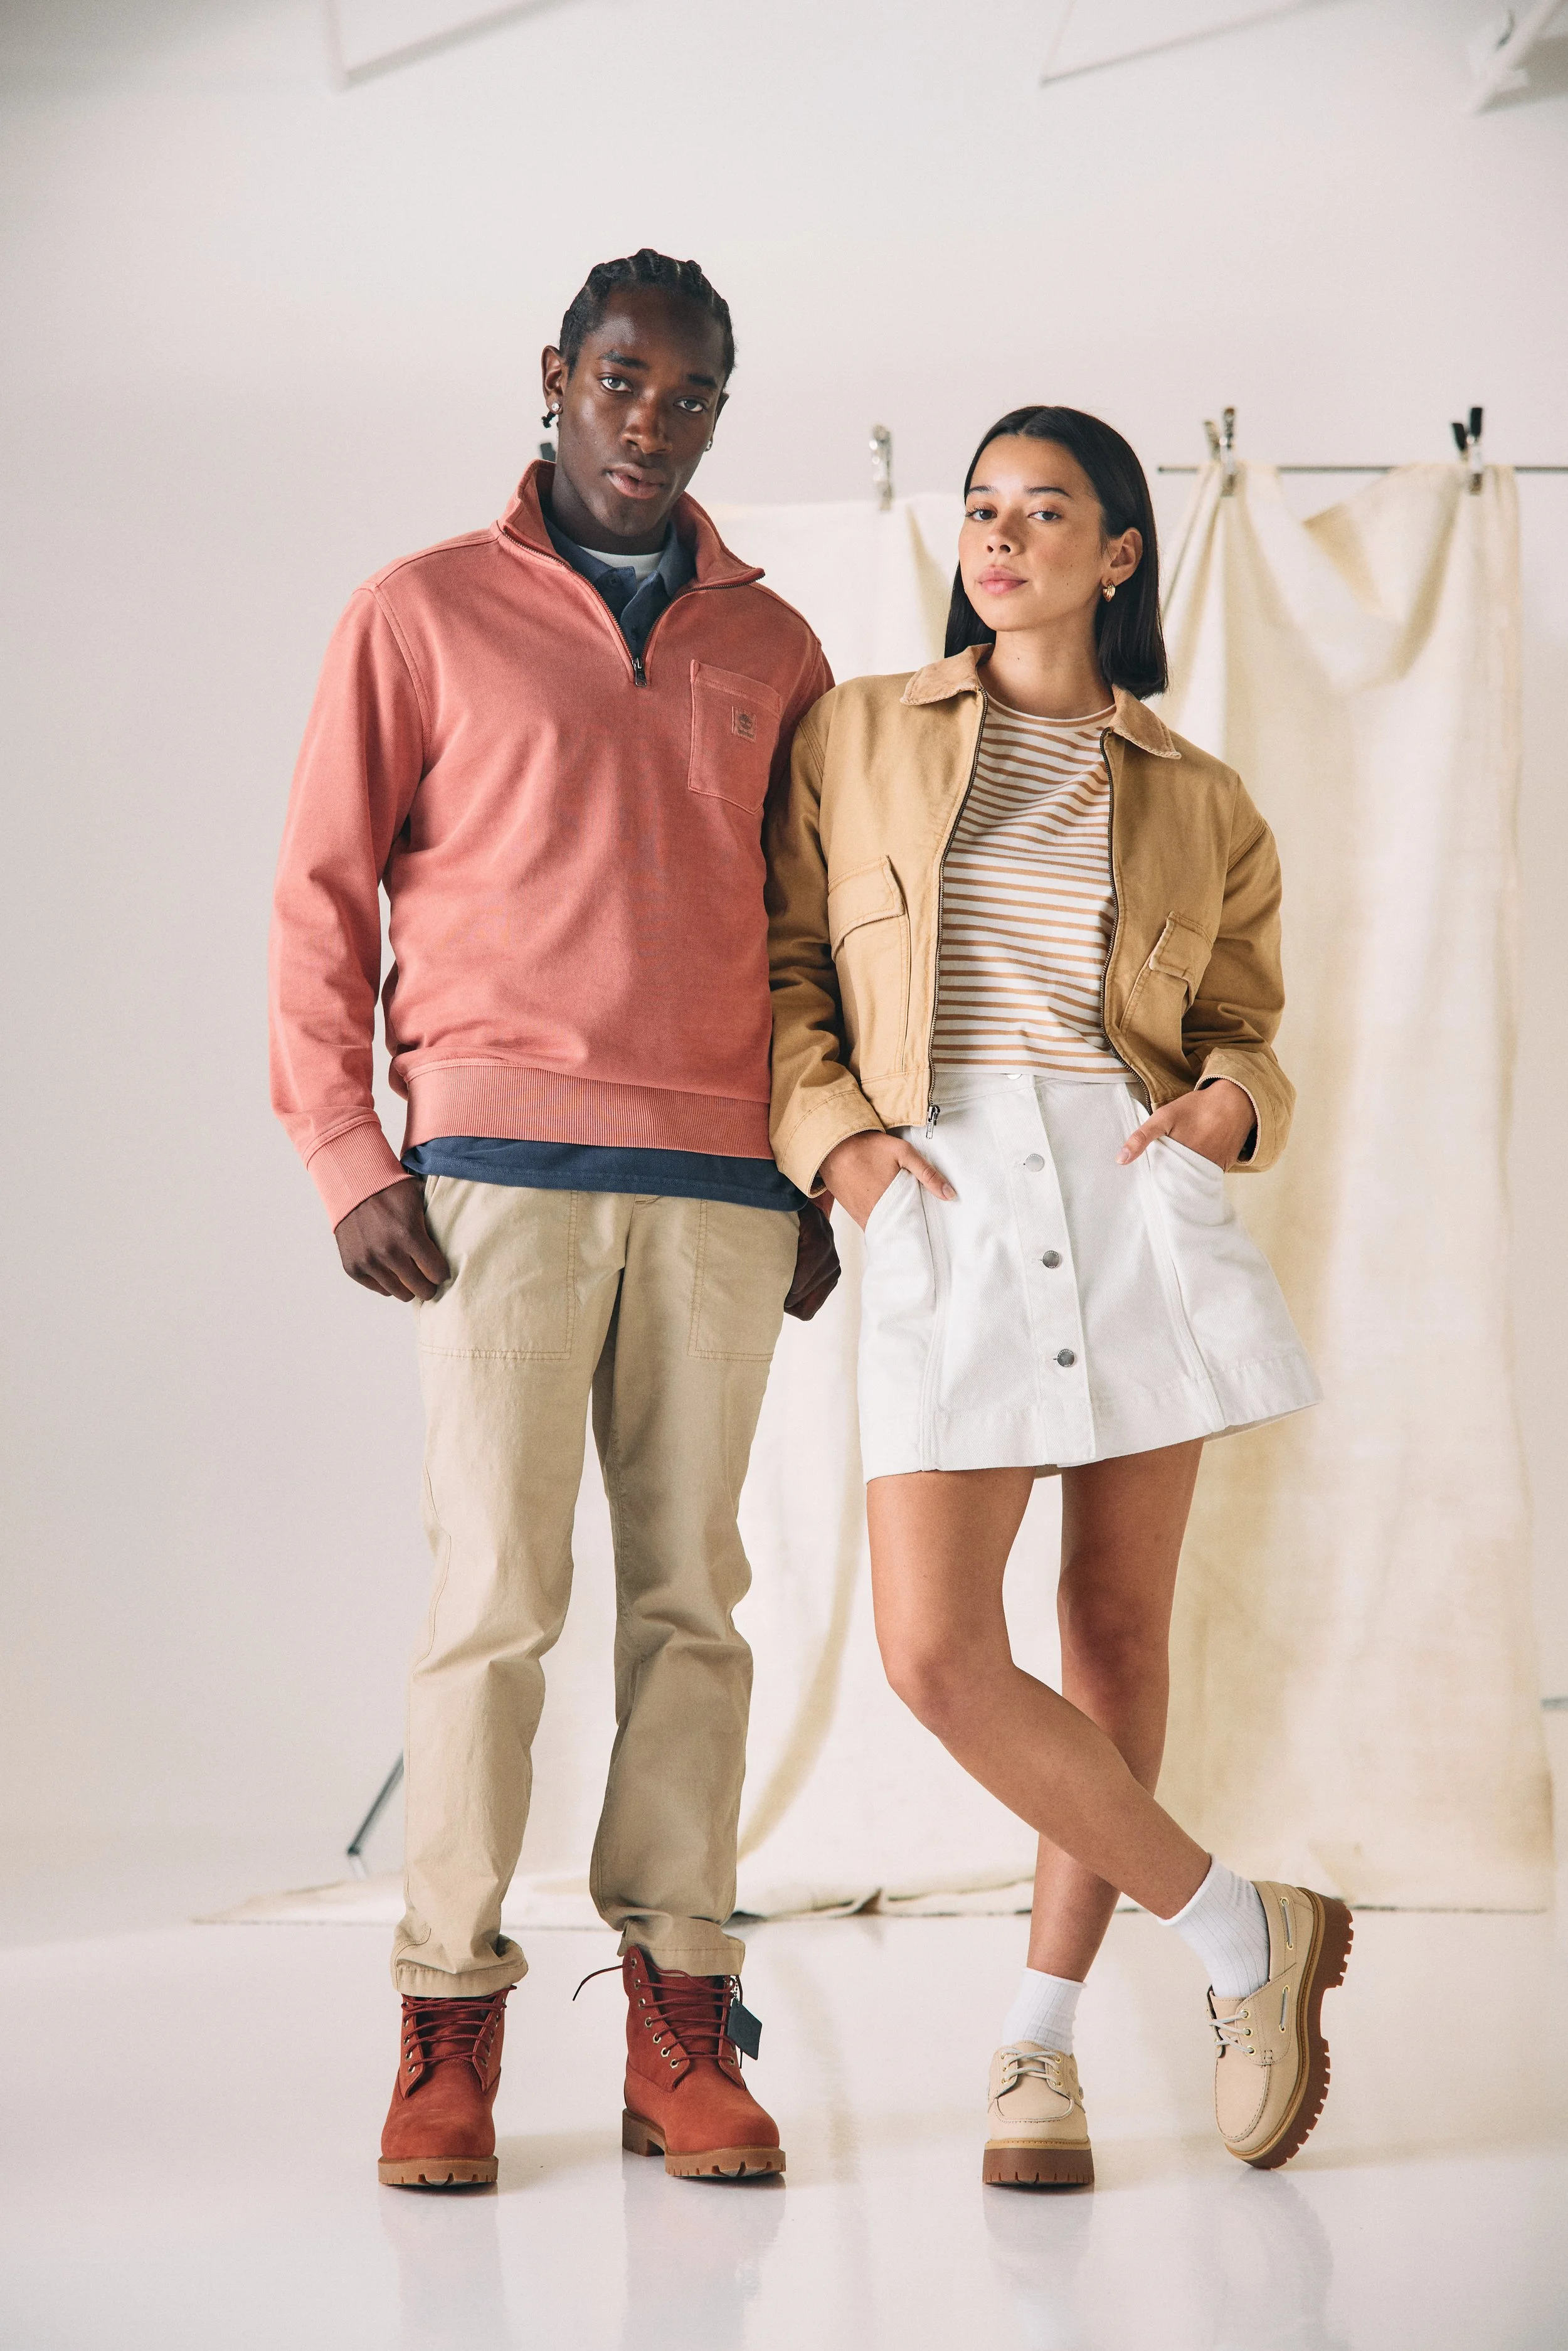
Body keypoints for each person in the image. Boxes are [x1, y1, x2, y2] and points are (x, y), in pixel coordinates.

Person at [270, 248, 835, 2190]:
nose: (648, 421)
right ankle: (447, 2027)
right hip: (495, 1180)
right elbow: (320, 899)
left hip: (720, 1187)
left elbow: (818, 931)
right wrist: (348, 1148)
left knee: (695, 1608)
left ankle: (682, 2019)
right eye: (619, 379)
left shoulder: (773, 646)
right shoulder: (418, 612)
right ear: (555, 377)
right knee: (493, 1609)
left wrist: (820, 1158)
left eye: (688, 396)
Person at [766, 405, 1347, 2187]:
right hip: (940, 1186)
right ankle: (1244, 1930)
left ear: (1117, 554)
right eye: (978, 509)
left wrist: (1235, 1106)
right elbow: (786, 969)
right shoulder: (856, 733)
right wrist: (838, 1142)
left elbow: (1244, 1019)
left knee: (1111, 1635)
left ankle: (1038, 2048)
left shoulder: (1200, 795)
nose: (998, 537)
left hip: (1123, 1191)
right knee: (938, 1651)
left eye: (1044, 512)